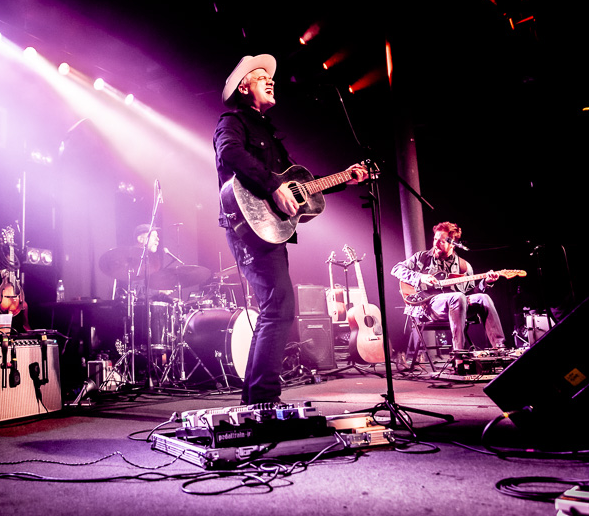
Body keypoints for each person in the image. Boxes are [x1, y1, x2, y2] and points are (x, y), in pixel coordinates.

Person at [214, 54, 368, 405]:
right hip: (248, 227)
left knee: (277, 308)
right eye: (260, 77)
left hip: (270, 230)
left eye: (271, 77)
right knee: (279, 307)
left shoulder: (270, 133)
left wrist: (345, 178)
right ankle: (262, 398)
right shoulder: (232, 121)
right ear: (243, 87)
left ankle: (256, 399)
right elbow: (230, 154)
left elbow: (302, 186)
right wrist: (272, 186)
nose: (270, 80)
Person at [391, 221, 506, 371]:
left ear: (453, 243)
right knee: (457, 296)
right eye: (435, 239)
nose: (436, 244)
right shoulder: (422, 258)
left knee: (483, 298)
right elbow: (396, 269)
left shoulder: (464, 266)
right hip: (429, 306)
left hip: (458, 307)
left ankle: (500, 351)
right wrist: (420, 277)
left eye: (441, 241)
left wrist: (485, 283)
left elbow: (471, 293)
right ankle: (459, 354)